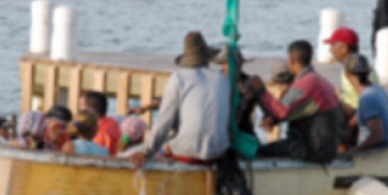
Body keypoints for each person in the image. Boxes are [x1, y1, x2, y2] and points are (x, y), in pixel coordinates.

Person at [129, 31, 231, 169]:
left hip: (187, 153)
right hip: (219, 152)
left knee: (168, 137)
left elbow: (164, 122)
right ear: (208, 57)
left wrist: (145, 151)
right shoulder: (222, 78)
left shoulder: (179, 78)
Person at [246, 40, 343, 163]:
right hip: (328, 147)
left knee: (260, 151)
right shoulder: (319, 79)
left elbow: (282, 111)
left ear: (291, 59)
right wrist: (274, 119)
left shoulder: (305, 83)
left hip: (314, 149)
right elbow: (300, 110)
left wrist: (260, 91)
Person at [342, 54, 388, 154]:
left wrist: (355, 151)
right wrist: (350, 124)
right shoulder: (380, 90)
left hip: (377, 153)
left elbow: (377, 136)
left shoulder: (367, 98)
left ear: (348, 74)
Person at [323, 27, 378, 114]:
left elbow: (368, 99)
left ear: (344, 48)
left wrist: (353, 122)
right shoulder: (359, 66)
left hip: (356, 113)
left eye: (333, 45)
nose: (330, 50)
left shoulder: (353, 71)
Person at [213, 44, 257, 136]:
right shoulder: (216, 82)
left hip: (243, 131)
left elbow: (245, 114)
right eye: (230, 65)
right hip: (220, 132)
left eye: (238, 64)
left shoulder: (247, 82)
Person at [78, 90, 122, 155]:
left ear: (90, 110)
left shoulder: (100, 133)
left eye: (82, 106)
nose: (79, 110)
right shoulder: (113, 122)